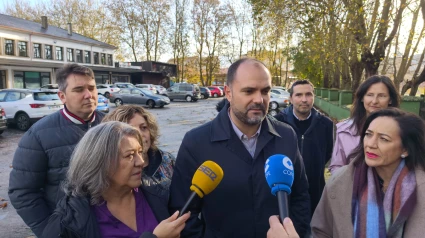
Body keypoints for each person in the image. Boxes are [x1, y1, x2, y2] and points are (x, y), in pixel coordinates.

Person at [169, 58, 311, 238]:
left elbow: (300, 197)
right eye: (249, 91)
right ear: (228, 93)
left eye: (265, 91)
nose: (259, 99)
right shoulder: (196, 142)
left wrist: (294, 232)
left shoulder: (287, 136)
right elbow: (183, 213)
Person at [41, 121, 190, 238]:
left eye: (140, 152)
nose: (141, 162)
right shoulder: (69, 220)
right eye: (129, 155)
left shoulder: (158, 196)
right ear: (99, 162)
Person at [8, 63, 104, 237]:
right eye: (79, 89)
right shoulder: (38, 135)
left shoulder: (113, 125)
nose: (88, 95)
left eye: (92, 88)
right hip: (71, 229)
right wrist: (50, 231)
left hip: (115, 224)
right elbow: (22, 192)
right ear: (62, 96)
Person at [311, 108, 425, 237]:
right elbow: (321, 231)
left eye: (384, 139)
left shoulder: (420, 188)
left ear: (405, 149)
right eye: (368, 134)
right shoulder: (341, 181)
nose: (371, 144)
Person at [274, 80, 334, 215]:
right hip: (286, 191)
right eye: (299, 95)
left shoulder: (326, 124)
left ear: (314, 96)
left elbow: (327, 153)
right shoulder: (277, 123)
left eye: (308, 94)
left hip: (316, 190)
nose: (304, 100)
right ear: (291, 98)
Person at [329, 75, 400, 174]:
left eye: (381, 96)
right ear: (362, 98)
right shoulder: (345, 129)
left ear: (390, 100)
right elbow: (337, 166)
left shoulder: (401, 130)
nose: (374, 101)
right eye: (370, 95)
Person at [102, 105, 176, 198]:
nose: (140, 134)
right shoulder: (109, 170)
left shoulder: (167, 160)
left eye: (143, 127)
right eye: (131, 129)